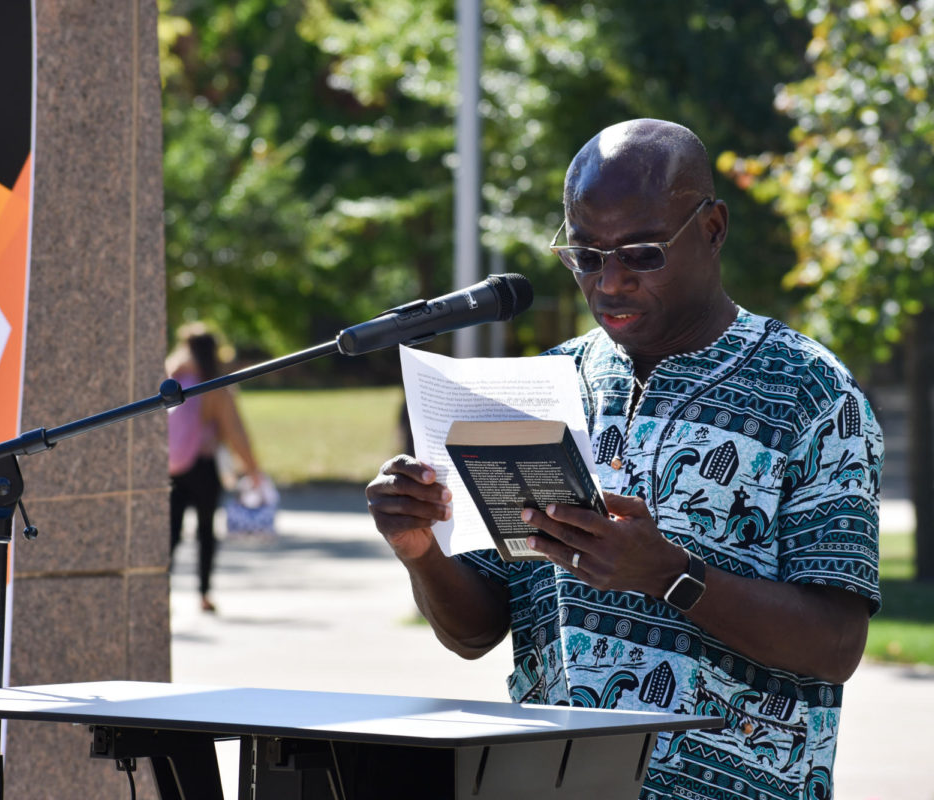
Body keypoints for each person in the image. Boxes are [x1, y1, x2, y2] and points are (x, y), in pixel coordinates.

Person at [366, 119, 883, 800]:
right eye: (585, 255)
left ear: (713, 228)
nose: (610, 282)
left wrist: (671, 576)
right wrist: (419, 549)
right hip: (545, 785)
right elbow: (476, 631)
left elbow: (836, 645)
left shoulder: (811, 393)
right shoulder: (537, 391)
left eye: (641, 254)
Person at [167, 322, 262, 612]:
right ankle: (204, 593)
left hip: (171, 465)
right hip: (204, 465)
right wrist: (253, 469)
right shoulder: (214, 383)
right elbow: (235, 431)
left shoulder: (171, 376)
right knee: (205, 531)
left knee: (169, 532)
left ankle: (159, 589)